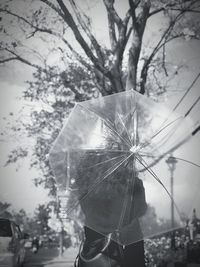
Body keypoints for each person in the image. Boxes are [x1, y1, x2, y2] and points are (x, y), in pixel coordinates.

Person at [74, 152, 147, 267]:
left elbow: (85, 212)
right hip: (127, 243)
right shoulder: (129, 182)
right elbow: (141, 210)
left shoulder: (86, 185)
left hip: (94, 246)